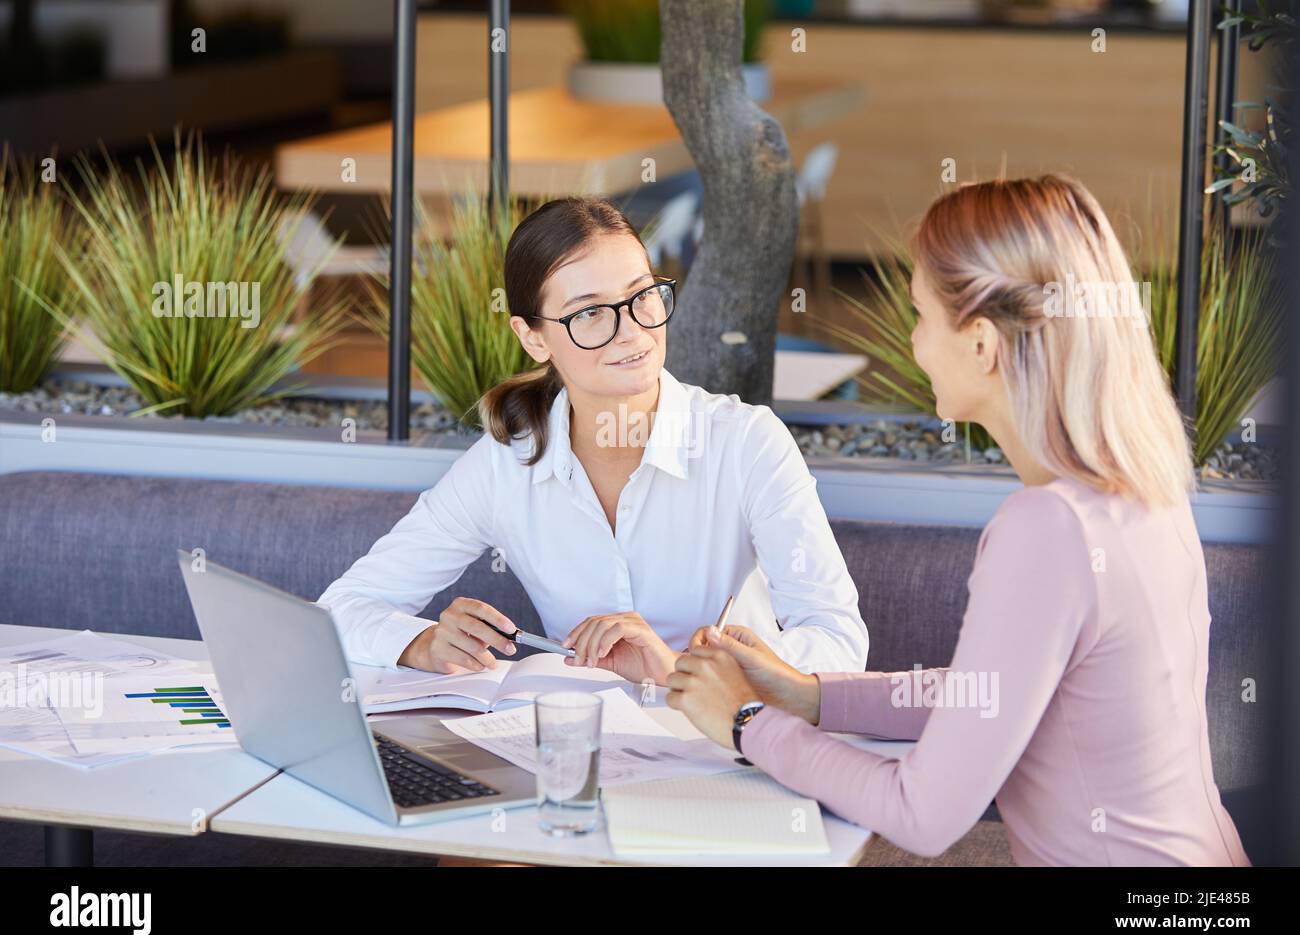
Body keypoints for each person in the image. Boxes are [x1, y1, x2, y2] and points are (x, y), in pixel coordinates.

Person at [667, 175, 1251, 866]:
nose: (913, 345)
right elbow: (994, 692)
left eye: (920, 316)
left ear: (981, 344)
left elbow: (923, 814)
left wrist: (746, 723)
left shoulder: (1049, 529)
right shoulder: (1143, 480)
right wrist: (811, 694)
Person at [318, 197, 869, 686]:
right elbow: (341, 609)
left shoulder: (745, 443)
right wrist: (420, 644)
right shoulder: (506, 465)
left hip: (727, 749)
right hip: (579, 751)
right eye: (588, 313)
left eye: (641, 296)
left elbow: (839, 641)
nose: (631, 330)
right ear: (533, 338)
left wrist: (677, 668)